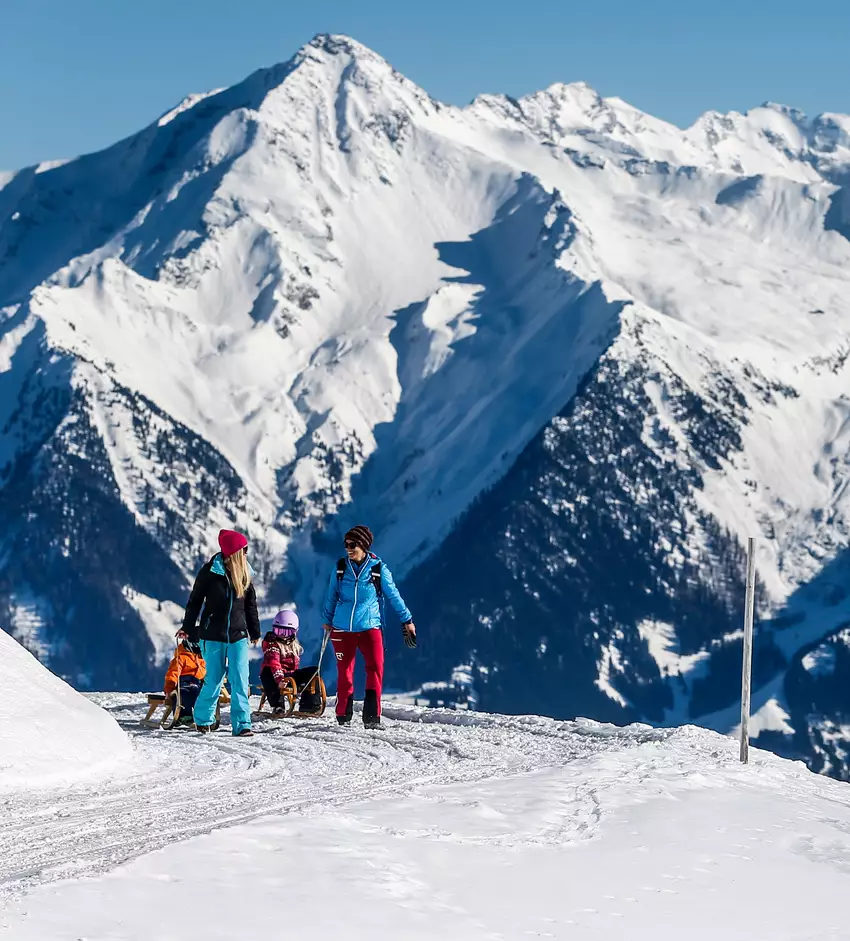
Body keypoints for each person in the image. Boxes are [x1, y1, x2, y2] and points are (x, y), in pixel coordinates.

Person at [322, 525, 416, 729]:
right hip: (342, 629)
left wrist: (407, 620)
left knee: (375, 669)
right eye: (346, 544)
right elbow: (331, 596)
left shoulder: (378, 569)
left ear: (363, 545)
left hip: (370, 627)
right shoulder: (340, 568)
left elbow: (394, 596)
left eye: (352, 544)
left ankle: (372, 718)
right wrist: (327, 621)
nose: (348, 548)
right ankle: (343, 717)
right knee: (345, 672)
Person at [179, 529, 260, 737]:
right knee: (214, 679)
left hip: (238, 635)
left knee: (240, 679)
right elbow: (195, 602)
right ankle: (203, 719)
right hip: (212, 635)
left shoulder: (245, 572)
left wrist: (254, 631)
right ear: (233, 552)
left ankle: (242, 725)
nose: (246, 553)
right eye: (244, 550)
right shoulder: (209, 572)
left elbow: (250, 604)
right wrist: (187, 627)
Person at [260, 610, 322, 716]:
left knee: (314, 671)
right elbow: (274, 664)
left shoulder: (293, 644)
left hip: (290, 675)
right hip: (275, 675)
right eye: (279, 631)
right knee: (267, 671)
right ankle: (278, 705)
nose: (283, 635)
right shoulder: (272, 645)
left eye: (286, 632)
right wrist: (280, 679)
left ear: (294, 632)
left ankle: (309, 704)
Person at [163, 638, 207, 726]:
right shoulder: (181, 658)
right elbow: (172, 674)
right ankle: (183, 716)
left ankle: (203, 716)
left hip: (198, 683)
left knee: (200, 694)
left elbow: (205, 674)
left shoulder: (202, 659)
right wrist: (169, 689)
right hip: (184, 682)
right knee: (185, 693)